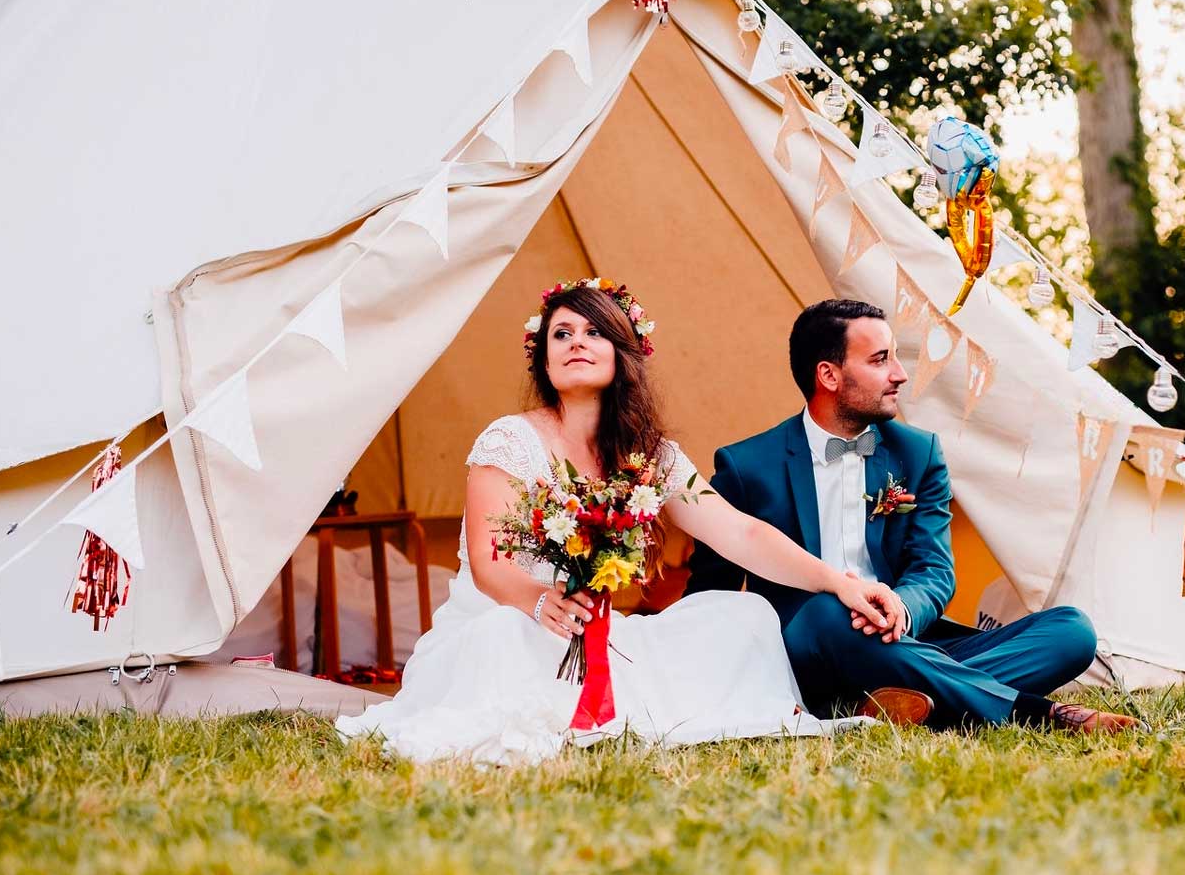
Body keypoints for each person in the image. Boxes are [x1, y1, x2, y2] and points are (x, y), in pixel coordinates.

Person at [335, 280, 894, 766]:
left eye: (594, 331)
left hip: (602, 633)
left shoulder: (652, 454)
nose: (576, 341)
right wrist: (538, 600)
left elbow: (740, 532)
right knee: (506, 643)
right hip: (512, 617)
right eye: (561, 334)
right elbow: (488, 562)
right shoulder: (508, 441)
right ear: (544, 360)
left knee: (744, 614)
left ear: (622, 351)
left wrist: (839, 581)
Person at [686, 299, 1138, 732]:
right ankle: (1033, 712)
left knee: (1071, 631)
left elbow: (934, 569)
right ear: (828, 375)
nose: (899, 375)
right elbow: (708, 593)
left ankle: (889, 702)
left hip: (901, 642)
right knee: (829, 610)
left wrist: (901, 608)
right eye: (881, 360)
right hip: (806, 649)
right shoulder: (746, 467)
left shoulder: (918, 453)